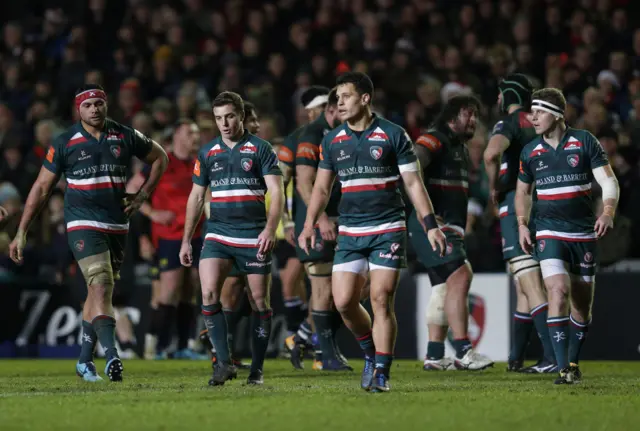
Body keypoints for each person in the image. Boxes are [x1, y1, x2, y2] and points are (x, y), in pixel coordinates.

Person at [9, 84, 168, 382]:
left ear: (106, 105)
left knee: (98, 292)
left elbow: (160, 157)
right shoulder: (65, 141)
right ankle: (111, 355)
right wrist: (21, 231)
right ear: (78, 109)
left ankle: (84, 361)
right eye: (87, 105)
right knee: (101, 283)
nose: (94, 108)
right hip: (82, 222)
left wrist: (143, 195)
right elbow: (42, 187)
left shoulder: (125, 135)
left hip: (118, 223)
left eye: (98, 103)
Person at [298, 72, 446, 392]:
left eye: (346, 96)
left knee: (380, 298)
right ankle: (370, 353)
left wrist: (429, 224)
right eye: (337, 98)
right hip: (350, 231)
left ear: (365, 99)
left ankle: (382, 371)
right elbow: (321, 189)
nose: (339, 103)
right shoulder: (332, 140)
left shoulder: (394, 135)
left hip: (388, 228)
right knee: (344, 302)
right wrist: (310, 223)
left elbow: (412, 183)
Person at [180, 91, 284, 386]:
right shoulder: (208, 152)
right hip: (218, 233)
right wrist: (187, 239)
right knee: (210, 293)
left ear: (240, 115)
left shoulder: (261, 149)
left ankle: (257, 370)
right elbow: (197, 196)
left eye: (229, 117)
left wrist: (269, 229)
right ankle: (223, 363)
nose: (224, 123)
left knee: (259, 302)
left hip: (253, 234)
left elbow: (276, 192)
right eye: (218, 118)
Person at [515, 88, 619, 384]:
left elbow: (609, 182)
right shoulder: (530, 151)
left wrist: (608, 212)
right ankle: (562, 368)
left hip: (583, 233)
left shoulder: (585, 142)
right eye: (531, 111)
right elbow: (523, 192)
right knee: (557, 291)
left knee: (581, 307)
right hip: (548, 231)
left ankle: (572, 361)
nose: (532, 117)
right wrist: (523, 224)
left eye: (539, 111)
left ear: (558, 115)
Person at [410, 95, 494, 371]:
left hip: (449, 227)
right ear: (452, 116)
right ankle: (463, 351)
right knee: (461, 274)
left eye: (475, 115)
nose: (473, 120)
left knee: (443, 288)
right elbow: (411, 168)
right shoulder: (435, 139)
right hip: (432, 226)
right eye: (468, 114)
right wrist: (427, 215)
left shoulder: (458, 147)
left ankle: (434, 355)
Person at [483, 74, 557, 373]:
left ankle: (553, 357)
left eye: (500, 94)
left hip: (517, 202)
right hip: (544, 201)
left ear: (507, 95)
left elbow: (490, 154)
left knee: (529, 281)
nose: (497, 100)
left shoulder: (509, 123)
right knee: (524, 284)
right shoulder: (542, 121)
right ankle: (516, 358)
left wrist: (494, 187)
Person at [282, 88, 350, 371]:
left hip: (339, 221)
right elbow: (291, 182)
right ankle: (324, 354)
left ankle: (302, 337)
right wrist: (288, 220)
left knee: (346, 291)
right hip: (314, 223)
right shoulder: (306, 136)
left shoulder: (339, 135)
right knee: (323, 288)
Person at [126, 119, 204, 360]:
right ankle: (153, 346)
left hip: (196, 234)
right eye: (191, 132)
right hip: (169, 236)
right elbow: (132, 188)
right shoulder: (160, 162)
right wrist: (152, 214)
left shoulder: (198, 164)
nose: (196, 137)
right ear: (177, 135)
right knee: (168, 291)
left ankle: (184, 346)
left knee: (190, 290)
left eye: (197, 133)